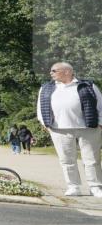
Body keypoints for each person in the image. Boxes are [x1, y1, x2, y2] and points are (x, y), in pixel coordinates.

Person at [37, 62, 102, 198]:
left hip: (89, 127)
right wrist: (46, 125)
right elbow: (40, 107)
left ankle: (95, 187)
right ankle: (73, 187)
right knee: (66, 160)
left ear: (67, 71)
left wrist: (100, 124)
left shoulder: (88, 85)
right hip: (59, 129)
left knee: (92, 159)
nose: (51, 73)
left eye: (54, 70)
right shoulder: (46, 88)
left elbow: (100, 105)